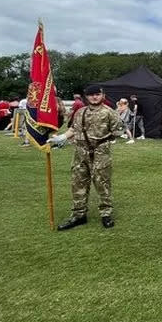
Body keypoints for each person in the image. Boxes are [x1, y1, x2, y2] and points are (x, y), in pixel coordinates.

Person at [48, 84, 126, 230]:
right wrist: (62, 137)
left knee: (102, 183)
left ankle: (105, 214)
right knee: (78, 184)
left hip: (100, 153)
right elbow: (74, 128)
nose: (94, 97)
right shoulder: (80, 112)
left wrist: (106, 140)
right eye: (91, 95)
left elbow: (119, 130)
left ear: (103, 95)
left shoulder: (109, 112)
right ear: (86, 96)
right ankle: (79, 215)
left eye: (97, 94)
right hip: (80, 153)